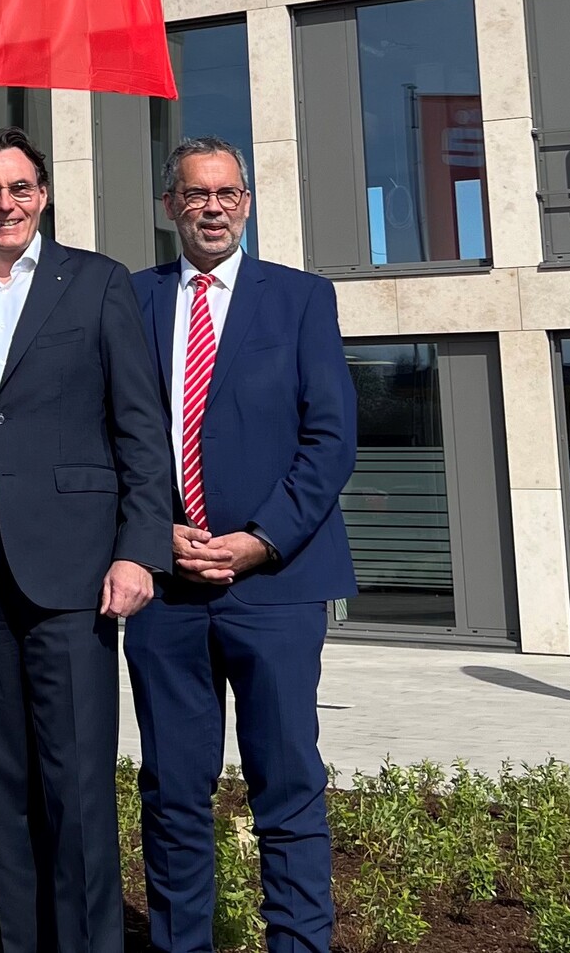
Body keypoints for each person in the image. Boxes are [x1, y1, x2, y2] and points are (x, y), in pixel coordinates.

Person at [0, 127, 173, 953]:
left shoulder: (96, 283)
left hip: (75, 572)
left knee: (79, 785)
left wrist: (139, 547)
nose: (6, 204)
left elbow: (140, 427)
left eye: (20, 188)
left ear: (44, 195)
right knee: (3, 783)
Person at [127, 136, 357, 953]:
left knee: (288, 788)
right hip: (167, 591)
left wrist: (260, 539)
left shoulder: (301, 299)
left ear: (248, 203)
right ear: (170, 206)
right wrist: (150, 531)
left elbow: (330, 439)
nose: (213, 207)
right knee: (171, 792)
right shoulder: (132, 300)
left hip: (276, 587)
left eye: (227, 192)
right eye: (196, 193)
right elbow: (106, 434)